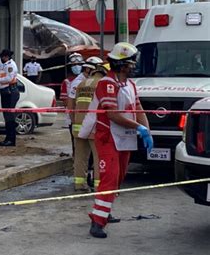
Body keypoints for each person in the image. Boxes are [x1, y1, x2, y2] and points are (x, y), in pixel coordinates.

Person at [88, 42, 153, 239]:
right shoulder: (106, 84)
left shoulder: (130, 85)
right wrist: (138, 128)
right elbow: (113, 115)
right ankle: (97, 222)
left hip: (125, 139)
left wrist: (148, 131)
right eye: (131, 64)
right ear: (123, 65)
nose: (134, 67)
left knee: (118, 178)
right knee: (109, 178)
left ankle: (105, 211)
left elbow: (138, 109)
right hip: (109, 138)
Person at [71, 63, 108, 192]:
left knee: (80, 156)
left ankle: (79, 184)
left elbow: (73, 104)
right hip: (94, 125)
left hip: (78, 125)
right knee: (99, 157)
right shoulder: (102, 84)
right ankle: (99, 186)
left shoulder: (81, 83)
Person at [60, 53, 84, 154]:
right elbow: (65, 101)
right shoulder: (67, 82)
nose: (76, 67)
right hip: (72, 117)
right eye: (74, 65)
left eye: (78, 64)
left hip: (86, 116)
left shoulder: (86, 79)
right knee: (75, 141)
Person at [0, 49, 19, 147]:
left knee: (9, 117)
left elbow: (9, 79)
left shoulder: (10, 65)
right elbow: (3, 76)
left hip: (10, 92)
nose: (1, 58)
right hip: (5, 92)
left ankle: (11, 139)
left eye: (2, 57)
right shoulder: (5, 65)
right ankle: (8, 138)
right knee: (7, 117)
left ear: (6, 57)